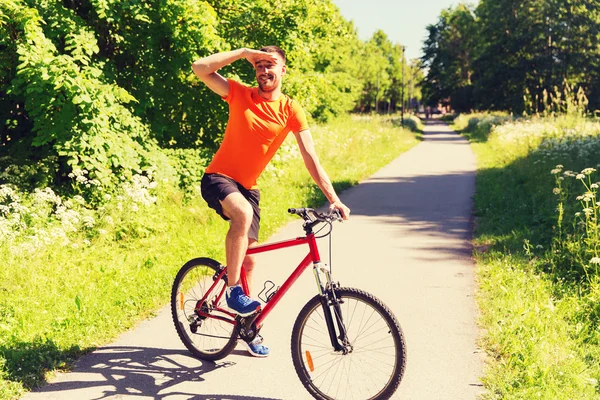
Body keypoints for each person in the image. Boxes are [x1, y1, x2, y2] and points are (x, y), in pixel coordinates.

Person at [192, 46, 351, 357]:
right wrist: (243, 53)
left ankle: (248, 328)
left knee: (248, 260)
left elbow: (310, 157)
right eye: (260, 65)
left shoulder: (291, 110)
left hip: (248, 187)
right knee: (242, 214)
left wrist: (333, 199)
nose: (264, 70)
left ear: (283, 70)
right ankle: (233, 292)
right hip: (218, 178)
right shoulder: (240, 94)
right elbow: (200, 68)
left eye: (271, 65)